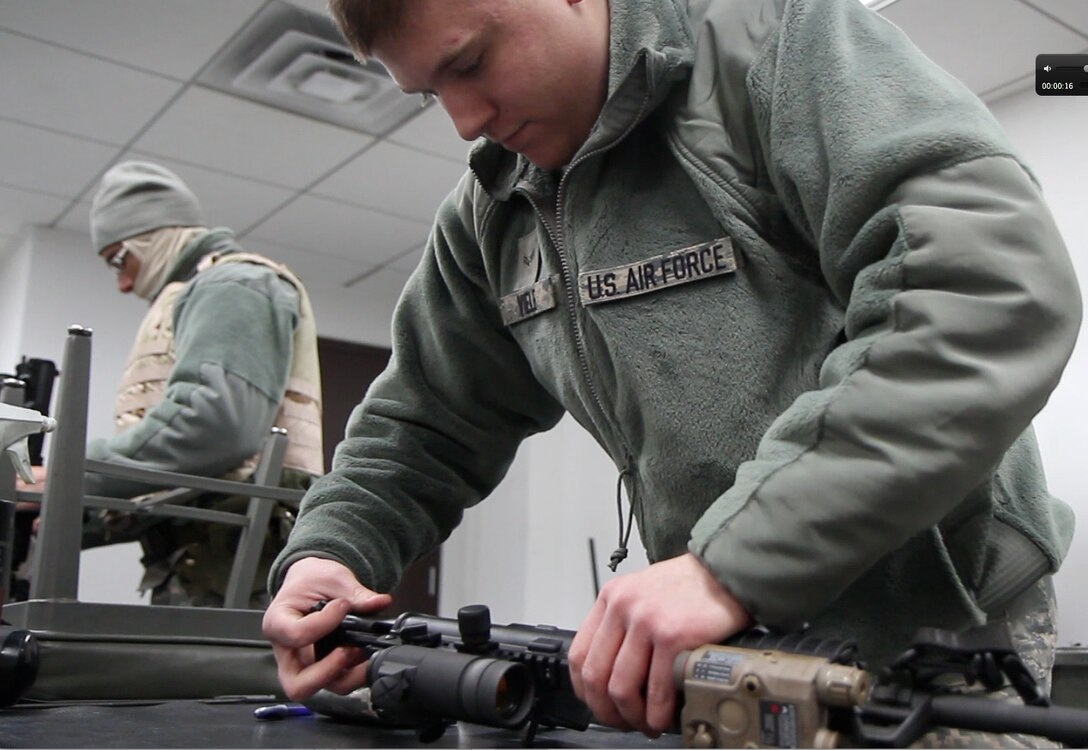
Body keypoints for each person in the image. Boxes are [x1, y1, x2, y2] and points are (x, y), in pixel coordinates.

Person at [262, 0, 1082, 742]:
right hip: (732, 655)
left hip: (931, 638)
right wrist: (328, 553)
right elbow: (424, 421)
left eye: (470, 63)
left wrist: (733, 563)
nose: (465, 121)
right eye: (428, 92)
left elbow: (983, 287)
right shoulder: (491, 213)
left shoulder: (776, 50)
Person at [66, 160, 323, 607]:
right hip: (208, 570)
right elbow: (183, 476)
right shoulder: (196, 296)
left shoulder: (234, 285)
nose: (123, 283)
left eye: (119, 260)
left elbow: (216, 425)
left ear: (155, 235)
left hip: (240, 577)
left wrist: (71, 476)